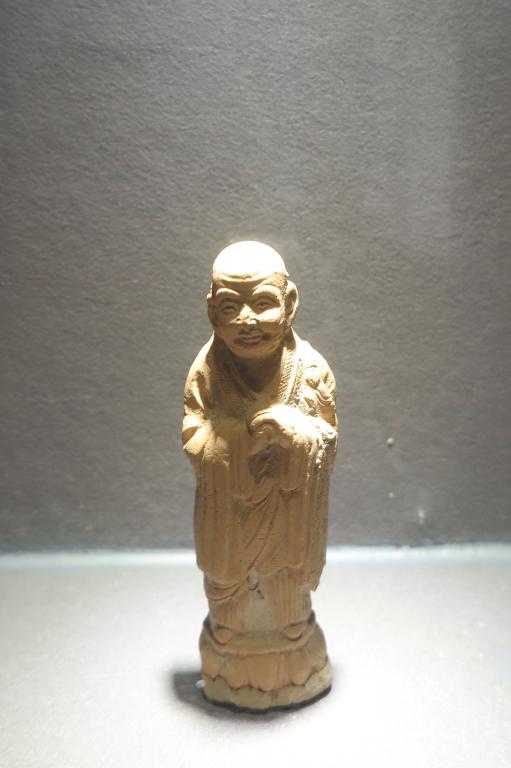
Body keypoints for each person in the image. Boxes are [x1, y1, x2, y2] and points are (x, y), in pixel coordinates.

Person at [182, 241, 338, 708]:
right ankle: (227, 641)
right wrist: (235, 438)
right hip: (229, 509)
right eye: (231, 308)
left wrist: (296, 434)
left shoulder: (310, 370)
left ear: (290, 302)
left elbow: (326, 438)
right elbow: (194, 430)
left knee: (285, 578)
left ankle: (294, 637)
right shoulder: (207, 370)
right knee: (229, 590)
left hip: (288, 508)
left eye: (263, 303)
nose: (247, 320)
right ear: (212, 312)